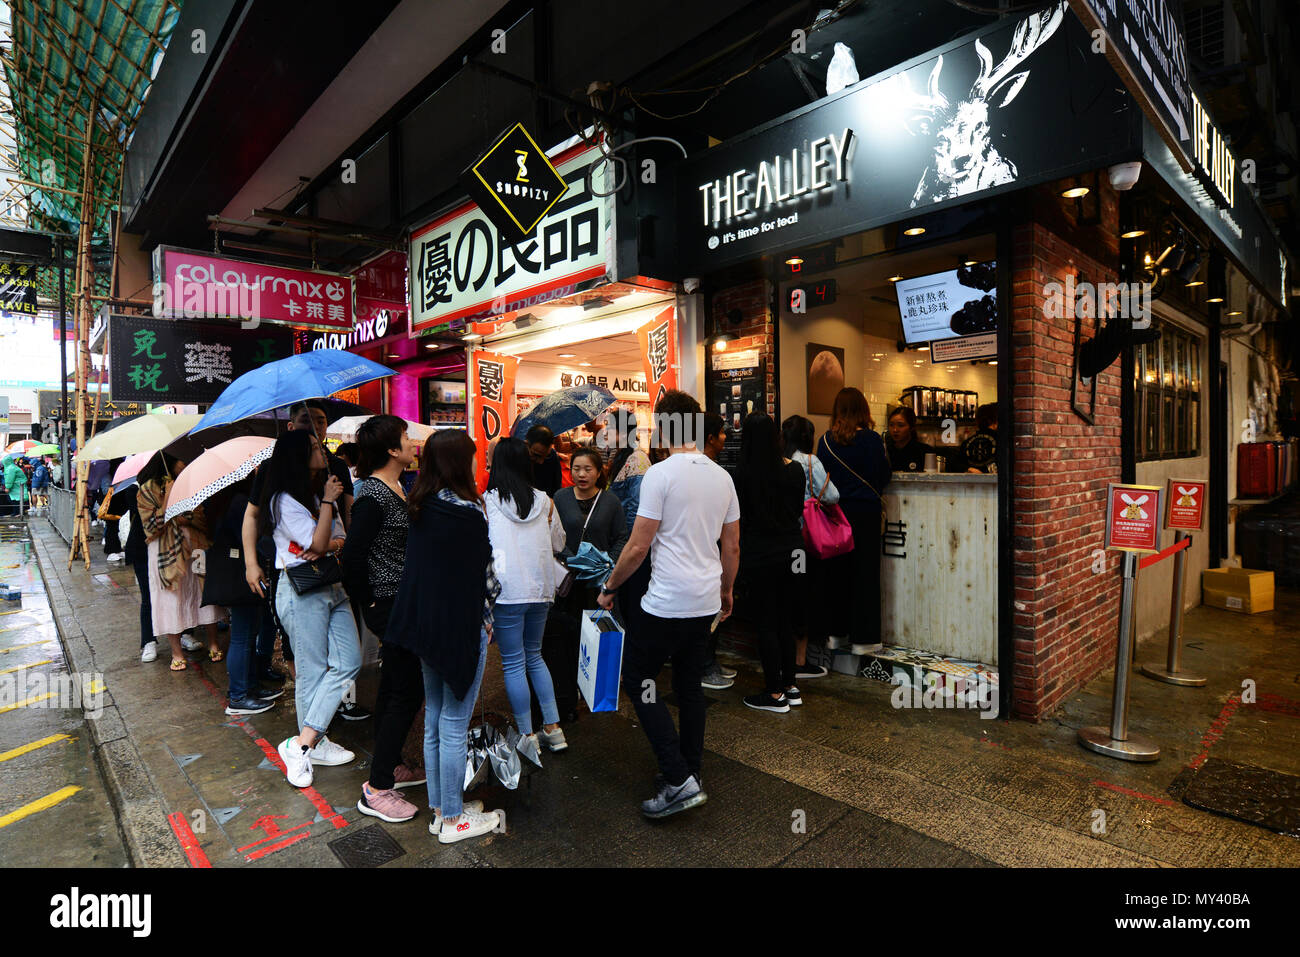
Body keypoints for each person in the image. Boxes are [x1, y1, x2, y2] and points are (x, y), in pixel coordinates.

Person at [597, 390, 740, 819]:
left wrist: (609, 587)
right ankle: (690, 771)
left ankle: (677, 778)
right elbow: (731, 547)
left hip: (666, 601)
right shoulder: (723, 477)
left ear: (665, 425)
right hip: (704, 598)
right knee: (689, 686)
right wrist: (727, 591)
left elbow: (639, 546)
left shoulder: (660, 475)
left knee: (639, 678)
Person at [386, 430, 504, 843]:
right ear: (460, 463)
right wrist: (489, 610)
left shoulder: (419, 505)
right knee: (454, 722)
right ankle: (453, 820)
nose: (478, 464)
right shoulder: (470, 512)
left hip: (424, 626)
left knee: (436, 718)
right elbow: (486, 576)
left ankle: (441, 809)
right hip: (459, 626)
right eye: (473, 457)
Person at [261, 430, 360, 790]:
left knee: (350, 661)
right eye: (316, 447)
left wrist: (328, 536)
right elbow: (320, 542)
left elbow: (338, 540)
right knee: (312, 672)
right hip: (301, 591)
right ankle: (311, 746)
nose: (323, 450)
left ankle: (303, 742)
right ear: (298, 457)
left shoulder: (318, 494)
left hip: (332, 584)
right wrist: (329, 508)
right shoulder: (282, 501)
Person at [343, 415, 425, 823]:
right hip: (388, 605)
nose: (412, 443)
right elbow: (353, 556)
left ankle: (390, 765)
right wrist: (371, 606)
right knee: (402, 693)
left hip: (403, 604)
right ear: (392, 450)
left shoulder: (397, 486)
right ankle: (377, 789)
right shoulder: (373, 496)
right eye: (407, 438)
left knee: (398, 689)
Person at [483, 437, 569, 756]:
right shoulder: (545, 500)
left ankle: (527, 734)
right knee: (535, 655)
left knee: (514, 662)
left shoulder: (487, 501)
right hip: (541, 588)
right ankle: (554, 728)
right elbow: (558, 543)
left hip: (507, 592)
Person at [546, 446, 627, 724]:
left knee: (595, 636)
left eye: (587, 469)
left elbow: (622, 536)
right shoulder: (560, 497)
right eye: (576, 469)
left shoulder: (611, 502)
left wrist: (609, 564)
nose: (581, 474)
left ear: (598, 472)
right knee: (566, 639)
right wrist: (571, 559)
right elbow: (553, 536)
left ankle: (594, 688)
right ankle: (568, 693)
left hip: (598, 582)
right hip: (568, 581)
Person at [734, 413, 807, 712]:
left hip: (760, 553)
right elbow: (798, 510)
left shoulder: (742, 475)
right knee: (786, 620)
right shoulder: (797, 470)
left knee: (766, 622)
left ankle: (774, 693)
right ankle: (791, 686)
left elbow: (741, 520)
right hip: (794, 552)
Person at [817, 387, 892, 656]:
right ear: (863, 409)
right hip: (866, 515)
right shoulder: (872, 440)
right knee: (865, 576)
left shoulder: (825, 441)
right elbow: (884, 476)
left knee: (837, 575)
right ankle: (864, 640)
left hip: (835, 514)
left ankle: (836, 635)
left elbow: (821, 479)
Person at [136, 453, 226, 670]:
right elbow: (151, 526)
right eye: (180, 459)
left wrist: (185, 517)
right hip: (165, 552)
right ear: (168, 461)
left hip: (196, 545)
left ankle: (213, 642)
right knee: (169, 599)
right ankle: (177, 652)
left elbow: (200, 514)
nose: (184, 463)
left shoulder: (187, 483)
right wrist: (168, 499)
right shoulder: (146, 489)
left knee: (205, 591)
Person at [204, 479, 281, 715]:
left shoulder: (227, 500)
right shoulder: (239, 504)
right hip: (239, 579)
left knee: (247, 635)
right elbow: (253, 540)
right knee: (242, 636)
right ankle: (238, 696)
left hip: (237, 577)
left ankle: (249, 688)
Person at [782, 414, 838, 679]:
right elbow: (832, 495)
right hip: (808, 542)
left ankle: (785, 657)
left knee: (789, 594)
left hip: (786, 540)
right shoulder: (809, 461)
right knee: (804, 595)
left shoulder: (778, 461)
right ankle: (800, 661)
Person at [604, 411, 653, 641]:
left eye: (610, 428)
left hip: (631, 546)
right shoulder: (622, 457)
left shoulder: (637, 460)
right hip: (620, 543)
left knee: (633, 604)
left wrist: (628, 545)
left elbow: (637, 508)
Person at [698, 411, 738, 690]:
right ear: (710, 438)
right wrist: (728, 586)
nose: (726, 437)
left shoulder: (715, 473)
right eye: (722, 432)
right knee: (706, 618)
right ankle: (703, 667)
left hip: (703, 560)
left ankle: (708, 663)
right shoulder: (717, 476)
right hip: (703, 560)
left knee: (709, 618)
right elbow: (731, 542)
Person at [289, 401, 354, 529]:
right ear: (291, 427)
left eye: (320, 422)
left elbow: (348, 512)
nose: (314, 427)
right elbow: (253, 514)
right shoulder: (274, 466)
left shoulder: (337, 466)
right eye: (306, 421)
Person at [118, 481, 157, 663]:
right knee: (147, 596)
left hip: (167, 546)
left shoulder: (170, 484)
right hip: (142, 549)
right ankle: (148, 641)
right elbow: (144, 514)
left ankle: (184, 633)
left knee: (175, 593)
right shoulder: (134, 489)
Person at [951, 403, 998, 473]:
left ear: (978, 421)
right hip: (995, 483)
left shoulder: (966, 443)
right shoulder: (1002, 441)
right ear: (995, 420)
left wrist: (969, 469)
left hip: (971, 483)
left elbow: (953, 465)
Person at [886, 407, 933, 472]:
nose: (895, 430)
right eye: (891, 425)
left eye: (900, 425)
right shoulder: (885, 452)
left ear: (911, 427)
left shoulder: (924, 452)